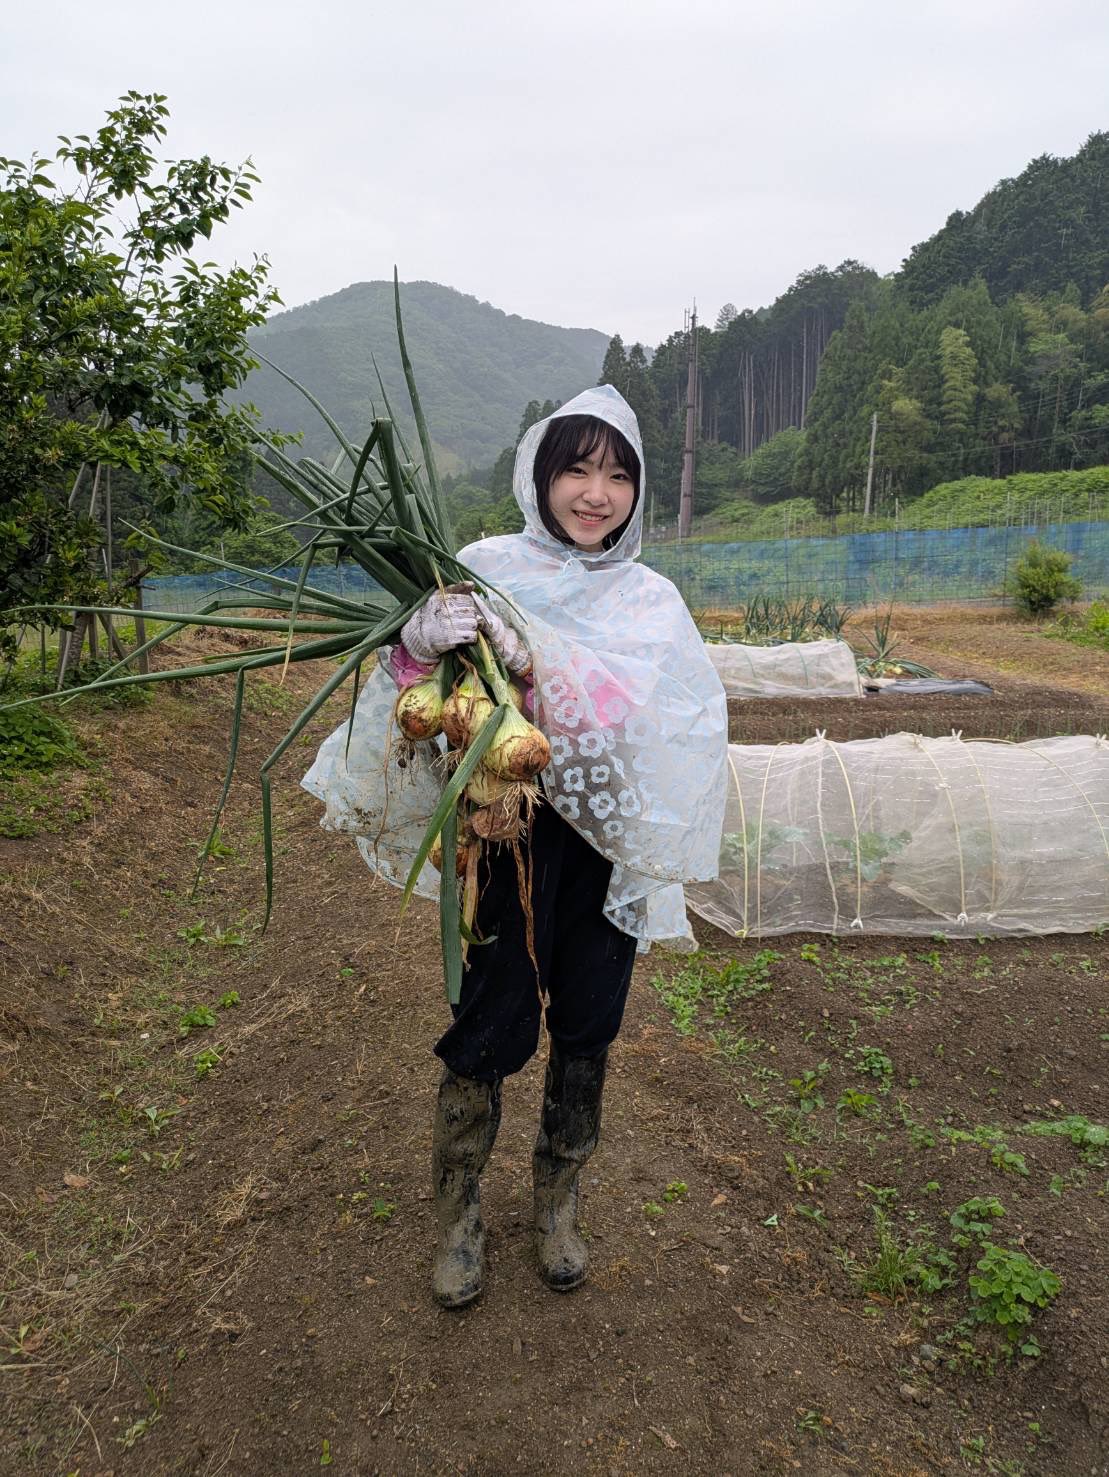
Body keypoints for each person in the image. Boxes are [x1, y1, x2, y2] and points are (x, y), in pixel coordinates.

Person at [303, 386, 727, 1308]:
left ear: (637, 491)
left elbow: (644, 712)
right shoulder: (484, 568)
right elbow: (425, 703)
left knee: (588, 1021)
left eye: (617, 475)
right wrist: (414, 644)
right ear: (539, 476)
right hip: (500, 834)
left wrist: (533, 655)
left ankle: (557, 1202)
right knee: (488, 1023)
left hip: (600, 846)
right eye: (575, 469)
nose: (595, 493)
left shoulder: (649, 599)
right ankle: (457, 1213)